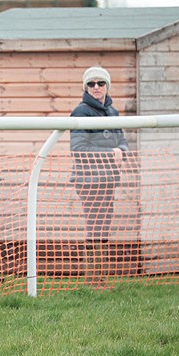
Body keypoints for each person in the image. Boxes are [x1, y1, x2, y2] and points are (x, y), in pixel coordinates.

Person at [69, 66, 129, 290]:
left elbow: (122, 142)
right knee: (95, 226)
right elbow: (78, 149)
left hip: (108, 180)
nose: (96, 87)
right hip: (89, 181)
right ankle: (93, 280)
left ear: (107, 86)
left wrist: (121, 151)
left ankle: (99, 278)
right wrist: (111, 153)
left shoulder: (113, 112)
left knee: (103, 227)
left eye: (100, 83)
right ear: (86, 87)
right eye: (91, 83)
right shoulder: (80, 112)